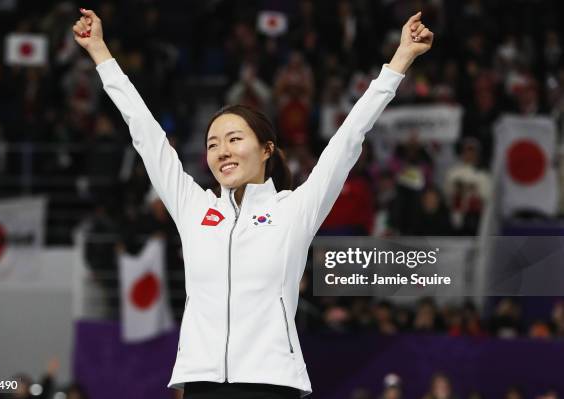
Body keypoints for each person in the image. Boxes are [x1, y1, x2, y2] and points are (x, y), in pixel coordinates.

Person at [72, 7, 433, 398]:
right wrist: (99, 52)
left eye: (234, 139)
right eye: (212, 144)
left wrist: (401, 59)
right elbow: (145, 134)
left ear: (266, 149)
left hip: (271, 383)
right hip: (201, 381)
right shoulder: (194, 208)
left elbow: (349, 138)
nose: (222, 151)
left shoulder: (294, 209)